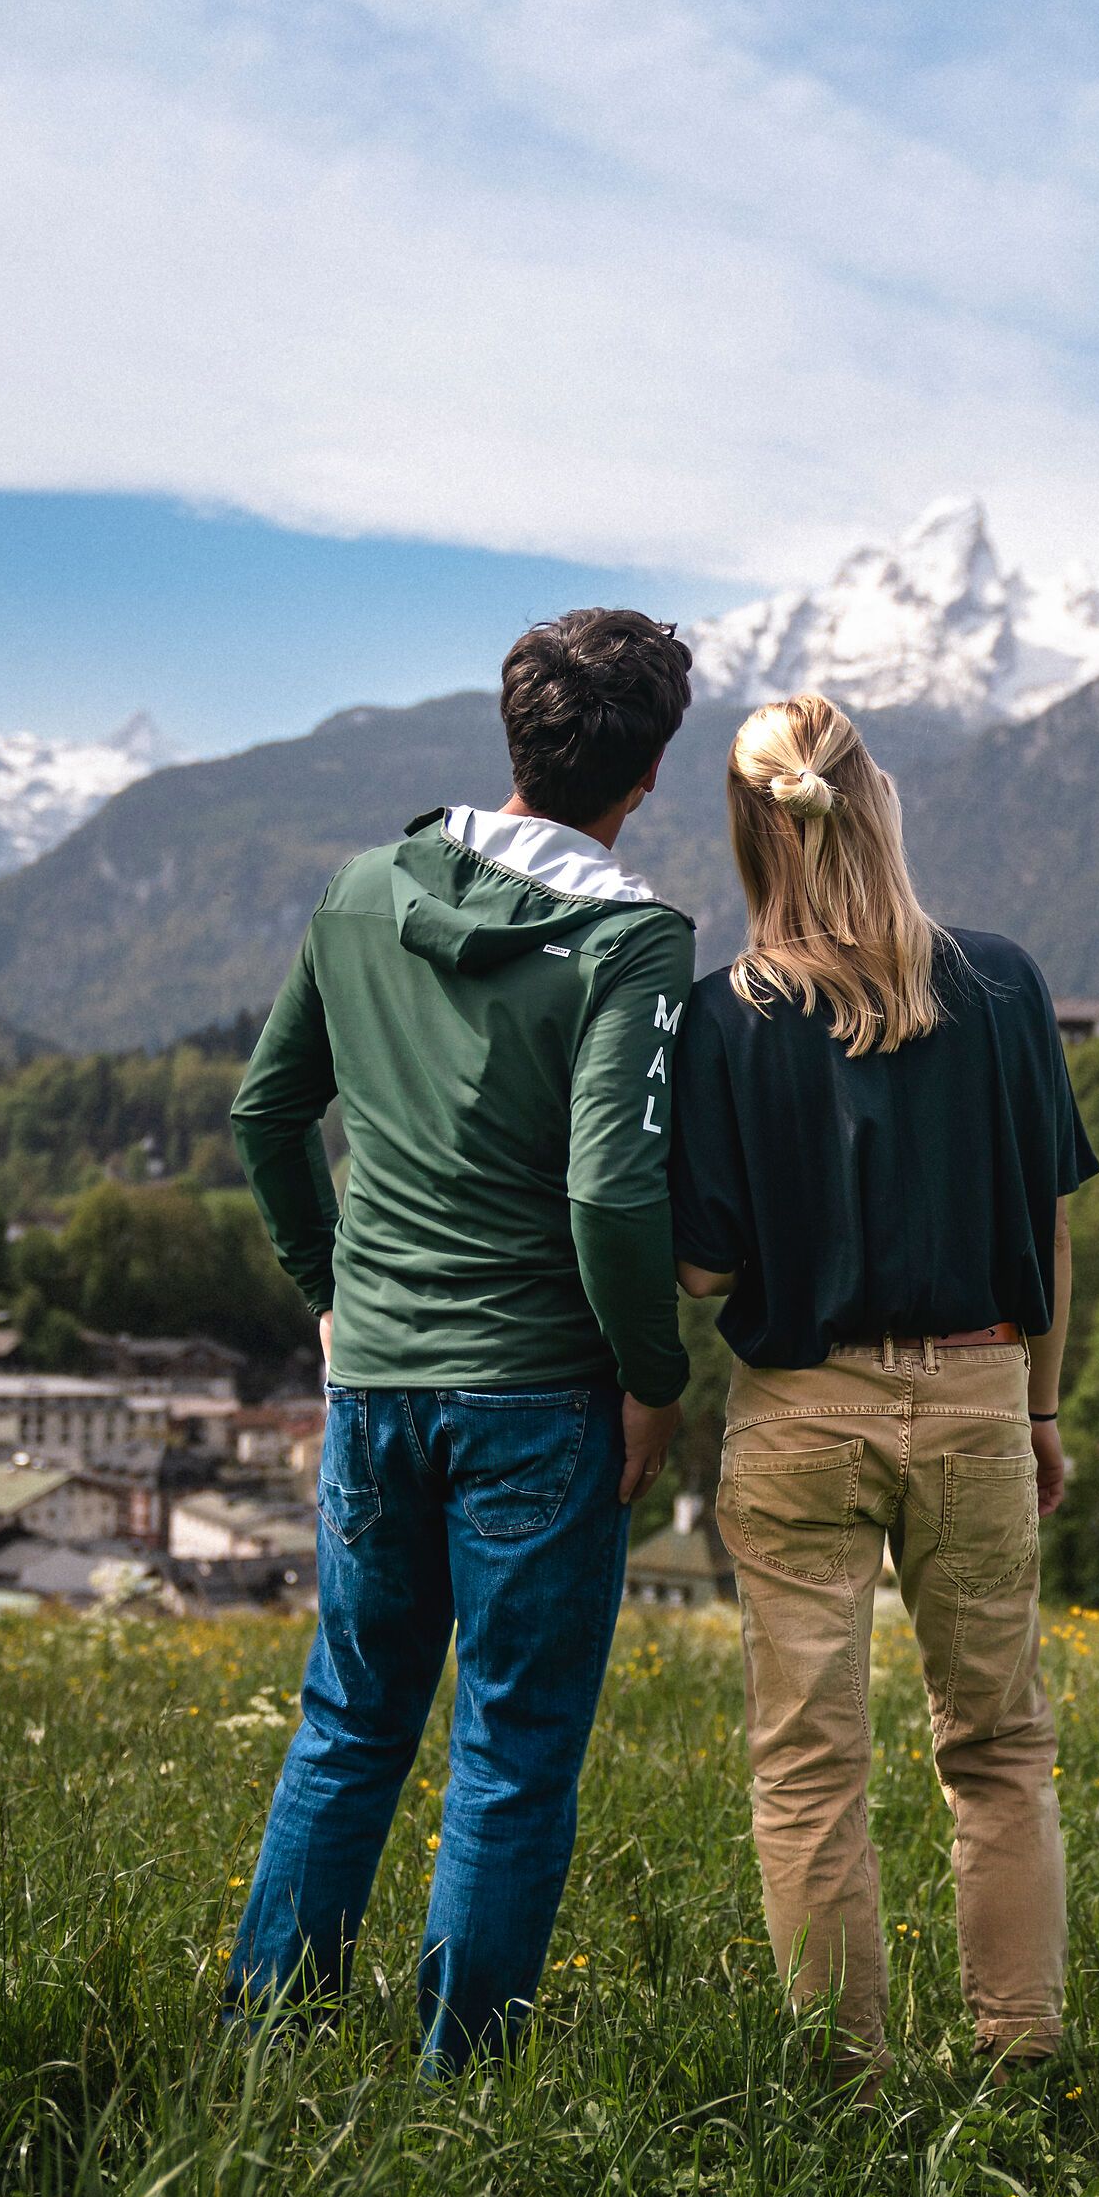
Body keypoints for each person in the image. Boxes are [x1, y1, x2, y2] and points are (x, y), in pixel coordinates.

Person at [224, 607, 695, 2072]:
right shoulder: (635, 938)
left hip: (372, 1386)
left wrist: (328, 1286)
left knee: (350, 1720)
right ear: (645, 777)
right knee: (511, 1754)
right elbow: (615, 1188)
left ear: (515, 741)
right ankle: (462, 2083)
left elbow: (266, 1110)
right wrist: (653, 1376)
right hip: (540, 1401)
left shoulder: (361, 892)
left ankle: (264, 2047)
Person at [670, 690, 1098, 2076]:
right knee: (998, 1747)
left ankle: (842, 2076)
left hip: (800, 1413)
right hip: (979, 1394)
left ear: (752, 830)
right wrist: (1037, 1408)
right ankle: (1018, 2052)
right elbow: (1048, 1224)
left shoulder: (719, 1021)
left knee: (809, 1765)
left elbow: (701, 1275)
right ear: (879, 800)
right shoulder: (1007, 986)